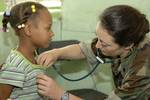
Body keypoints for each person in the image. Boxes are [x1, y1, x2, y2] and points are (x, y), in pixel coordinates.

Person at [36, 5, 150, 100]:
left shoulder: (142, 73)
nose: (97, 46)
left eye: (104, 43)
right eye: (98, 38)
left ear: (127, 45)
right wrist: (57, 53)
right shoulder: (122, 42)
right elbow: (84, 50)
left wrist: (61, 95)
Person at [0, 1, 54, 100]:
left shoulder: (34, 55)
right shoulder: (15, 66)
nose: (52, 33)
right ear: (29, 30)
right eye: (48, 28)